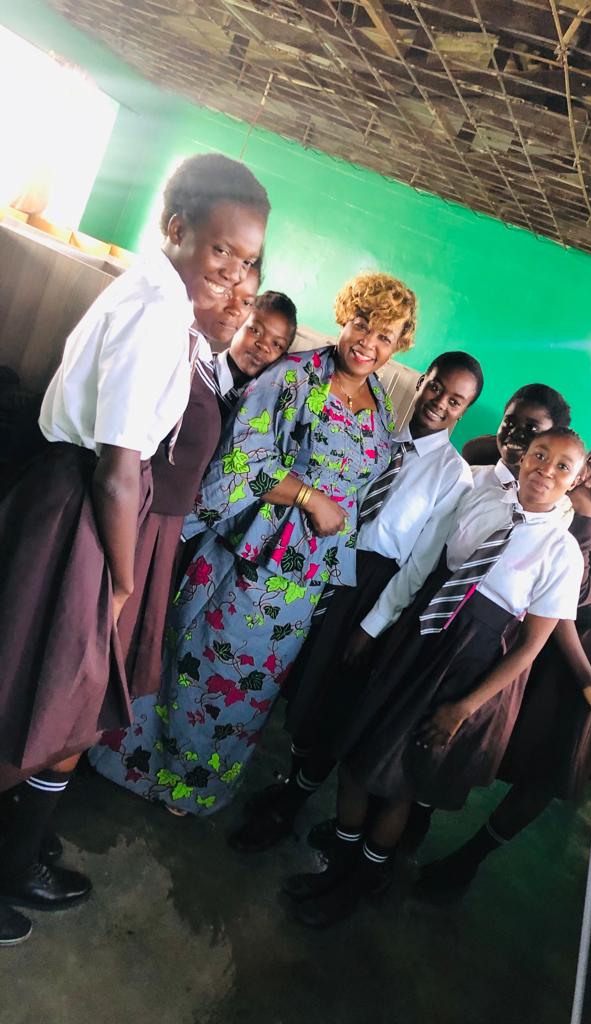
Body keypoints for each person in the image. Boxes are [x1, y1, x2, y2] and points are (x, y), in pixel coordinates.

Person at [0, 152, 269, 939]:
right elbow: (120, 470)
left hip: (85, 504)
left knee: (51, 706)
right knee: (36, 702)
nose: (232, 275)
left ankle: (15, 858)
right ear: (176, 228)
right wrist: (119, 582)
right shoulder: (156, 311)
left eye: (248, 260)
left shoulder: (165, 304)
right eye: (220, 251)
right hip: (85, 508)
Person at [89, 272, 417, 817]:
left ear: (398, 345)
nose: (368, 342)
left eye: (385, 336)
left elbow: (361, 490)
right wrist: (311, 497)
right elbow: (243, 458)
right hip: (249, 558)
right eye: (363, 323)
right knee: (197, 667)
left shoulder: (382, 408)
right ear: (345, 317)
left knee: (251, 691)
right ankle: (140, 766)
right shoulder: (293, 377)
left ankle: (193, 787)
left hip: (304, 581)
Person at [284, 427, 587, 926]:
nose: (545, 471)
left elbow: (530, 648)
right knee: (355, 755)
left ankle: (357, 884)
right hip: (419, 640)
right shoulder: (486, 498)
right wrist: (383, 624)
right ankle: (338, 867)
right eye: (540, 455)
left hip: (467, 668)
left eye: (562, 467)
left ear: (575, 481)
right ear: (525, 456)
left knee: (399, 780)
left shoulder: (562, 553)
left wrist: (463, 708)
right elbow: (432, 566)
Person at [229, 351, 484, 852]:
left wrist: (373, 624)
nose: (439, 403)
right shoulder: (379, 431)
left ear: (463, 411)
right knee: (291, 675)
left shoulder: (454, 475)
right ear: (422, 381)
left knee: (329, 699)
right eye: (436, 387)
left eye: (455, 401)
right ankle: (274, 777)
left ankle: (291, 804)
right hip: (317, 556)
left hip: (370, 586)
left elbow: (418, 563)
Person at [417, 423, 591, 897]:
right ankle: (415, 817)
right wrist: (535, 458)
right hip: (535, 629)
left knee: (547, 762)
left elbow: (575, 597)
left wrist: (583, 508)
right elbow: (484, 449)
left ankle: (468, 861)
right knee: (484, 726)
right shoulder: (555, 487)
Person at [461, 382, 570, 471]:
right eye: (509, 422)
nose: (515, 432)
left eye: (531, 428)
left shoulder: (557, 492)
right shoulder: (473, 470)